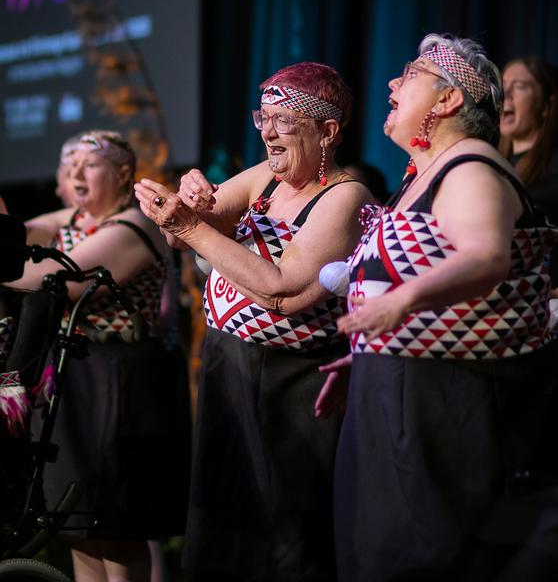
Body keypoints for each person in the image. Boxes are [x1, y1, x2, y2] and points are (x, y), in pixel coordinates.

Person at [316, 35, 558, 581]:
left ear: (448, 100)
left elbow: (486, 257)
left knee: (428, 559)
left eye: (410, 74)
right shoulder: (424, 178)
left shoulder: (470, 165)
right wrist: (370, 351)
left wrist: (399, 304)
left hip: (449, 407)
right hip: (399, 390)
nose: (391, 84)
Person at [134, 61, 372, 582]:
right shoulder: (266, 177)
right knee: (222, 518)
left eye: (282, 120)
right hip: (229, 363)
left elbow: (281, 290)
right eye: (261, 117)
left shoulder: (345, 197)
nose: (266, 131)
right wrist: (187, 199)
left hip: (291, 381)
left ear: (328, 131)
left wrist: (193, 227)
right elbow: (190, 232)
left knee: (284, 528)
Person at [4, 131, 189, 582]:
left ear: (123, 173)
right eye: (69, 165)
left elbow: (61, 280)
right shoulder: (75, 218)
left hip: (122, 383)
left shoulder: (135, 225)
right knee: (78, 525)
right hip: (75, 375)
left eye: (89, 164)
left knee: (116, 526)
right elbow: (18, 234)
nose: (74, 174)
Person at [499, 56, 558, 283]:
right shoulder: (489, 164)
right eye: (503, 85)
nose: (506, 93)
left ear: (546, 105)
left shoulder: (553, 167)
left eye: (520, 86)